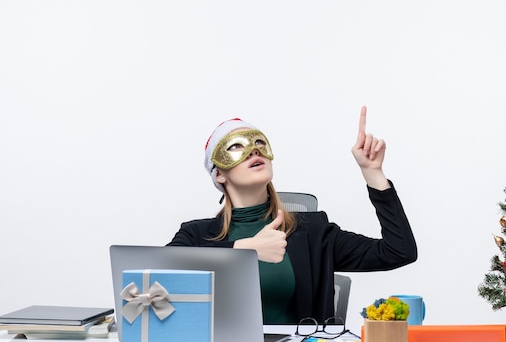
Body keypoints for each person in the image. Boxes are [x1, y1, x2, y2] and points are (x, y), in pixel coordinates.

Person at [167, 106, 418, 324]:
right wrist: (243, 251)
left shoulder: (314, 231)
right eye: (236, 147)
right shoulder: (195, 235)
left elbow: (398, 251)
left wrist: (373, 173)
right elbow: (160, 275)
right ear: (219, 174)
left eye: (258, 143)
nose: (254, 151)